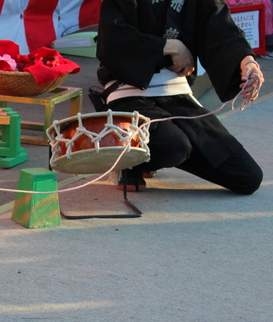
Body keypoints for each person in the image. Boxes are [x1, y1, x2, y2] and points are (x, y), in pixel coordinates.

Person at [96, 0, 264, 194]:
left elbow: (222, 29)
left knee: (247, 177)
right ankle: (130, 161)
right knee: (174, 145)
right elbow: (112, 39)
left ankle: (150, 155)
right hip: (128, 91)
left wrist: (247, 62)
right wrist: (167, 46)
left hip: (176, 95)